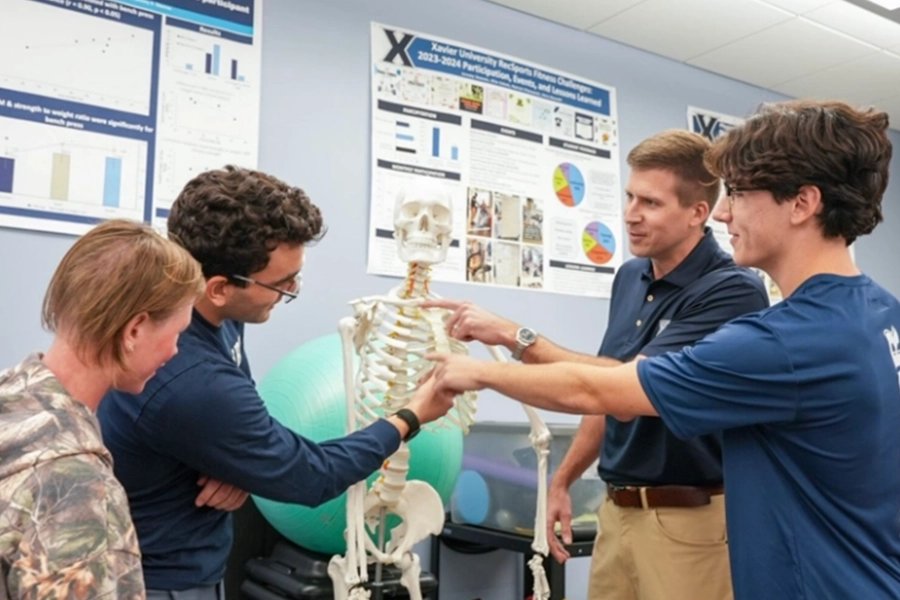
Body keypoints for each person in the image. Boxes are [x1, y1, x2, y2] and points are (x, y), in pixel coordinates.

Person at [424, 100, 900, 599]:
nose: (724, 211)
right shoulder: (879, 311)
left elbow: (605, 389)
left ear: (802, 203)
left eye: (738, 193)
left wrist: (479, 372)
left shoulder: (784, 339)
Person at [427, 129, 768, 600]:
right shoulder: (631, 276)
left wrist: (512, 339)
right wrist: (563, 480)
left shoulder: (732, 290)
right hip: (617, 510)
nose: (630, 214)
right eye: (630, 197)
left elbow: (623, 391)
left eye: (650, 203)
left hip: (689, 522)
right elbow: (604, 386)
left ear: (697, 212)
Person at [97, 166, 452, 600]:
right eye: (282, 284)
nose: (291, 291)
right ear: (219, 288)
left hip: (193, 561)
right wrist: (411, 416)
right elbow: (311, 475)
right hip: (156, 581)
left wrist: (241, 466)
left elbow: (234, 422)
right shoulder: (188, 374)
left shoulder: (211, 315)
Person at [0, 219, 205, 599]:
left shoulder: (10, 402)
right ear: (134, 330)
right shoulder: (78, 494)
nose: (175, 351)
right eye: (176, 333)